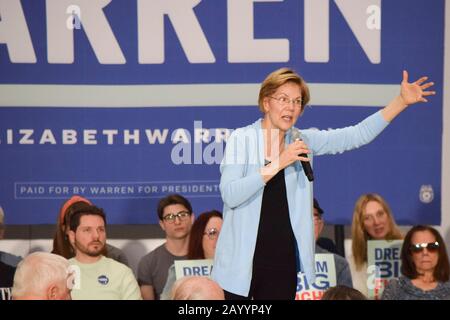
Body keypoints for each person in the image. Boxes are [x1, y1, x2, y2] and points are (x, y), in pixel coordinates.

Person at [211, 67, 435, 300]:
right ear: (266, 103)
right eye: (284, 99)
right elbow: (231, 194)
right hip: (240, 267)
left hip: (282, 264)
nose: (291, 107)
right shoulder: (242, 139)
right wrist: (278, 163)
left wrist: (400, 102)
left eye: (297, 101)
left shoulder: (302, 140)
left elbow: (356, 135)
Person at [67, 205, 141, 300]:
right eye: (87, 230)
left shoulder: (122, 273)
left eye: (101, 229)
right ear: (72, 236)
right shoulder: (61, 271)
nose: (96, 236)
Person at [137, 194, 194, 300]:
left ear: (192, 218)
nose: (177, 221)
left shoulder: (205, 254)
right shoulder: (149, 262)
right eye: (170, 217)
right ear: (162, 224)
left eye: (182, 214)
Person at [160, 210, 223, 299]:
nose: (220, 238)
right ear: (199, 237)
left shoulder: (242, 271)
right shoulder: (178, 270)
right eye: (213, 232)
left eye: (225, 232)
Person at [349, 193, 403, 295]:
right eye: (368, 218)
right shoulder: (355, 260)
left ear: (388, 215)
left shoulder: (408, 249)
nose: (376, 222)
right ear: (361, 225)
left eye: (380, 214)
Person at [52, 195, 129, 266]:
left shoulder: (116, 257)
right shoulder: (51, 261)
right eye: (86, 229)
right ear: (65, 229)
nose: (95, 236)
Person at [381, 225, 450, 300]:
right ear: (410, 254)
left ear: (439, 251)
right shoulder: (395, 288)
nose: (425, 252)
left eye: (432, 246)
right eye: (417, 248)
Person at [313, 198, 353, 288]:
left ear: (320, 225)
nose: (307, 224)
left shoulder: (339, 265)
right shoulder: (277, 262)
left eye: (313, 217)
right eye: (302, 217)